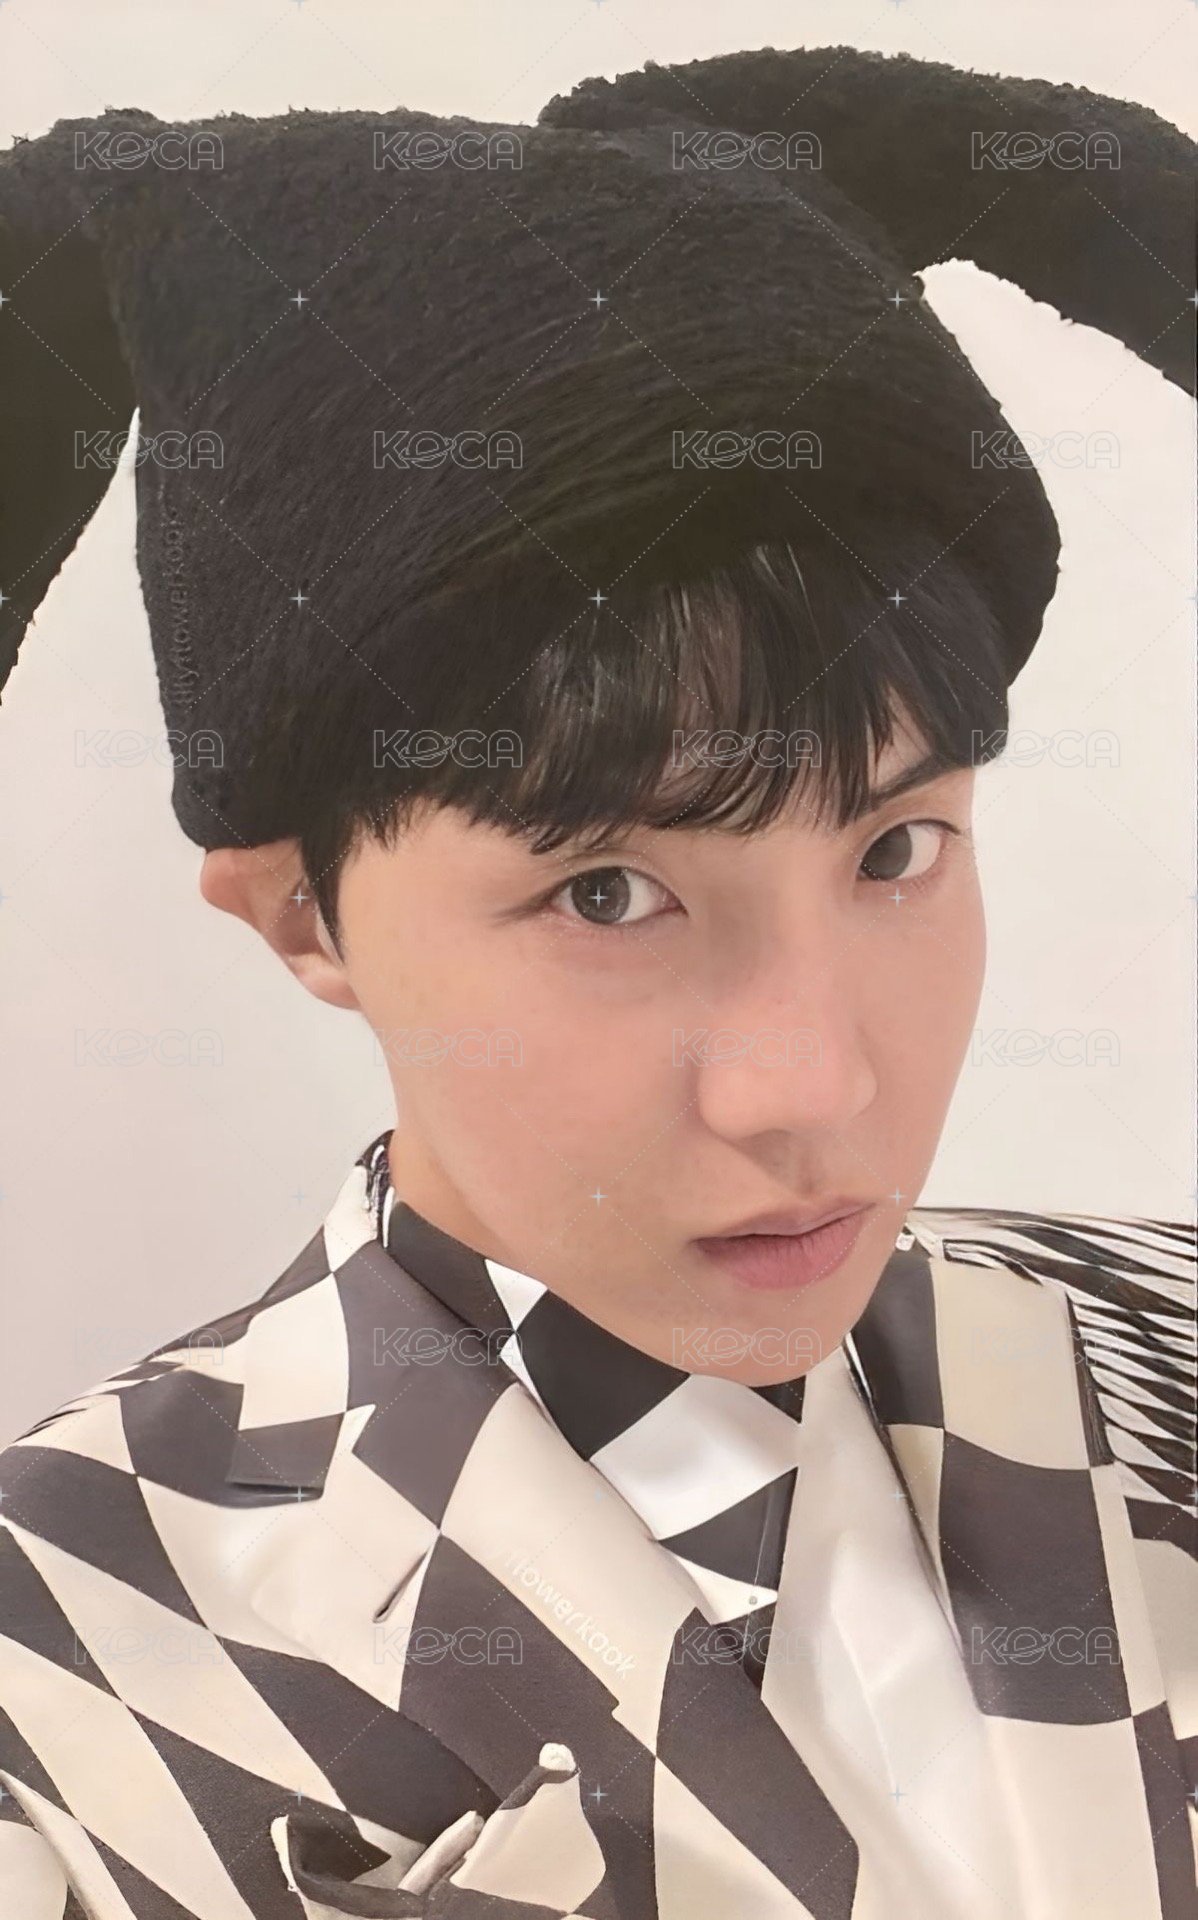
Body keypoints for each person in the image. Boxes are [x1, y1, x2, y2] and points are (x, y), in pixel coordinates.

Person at [0, 40, 1194, 1920]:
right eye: (608, 893)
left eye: (893, 851)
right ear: (302, 914)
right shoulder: (52, 1655)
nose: (810, 1082)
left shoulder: (1167, 1337)